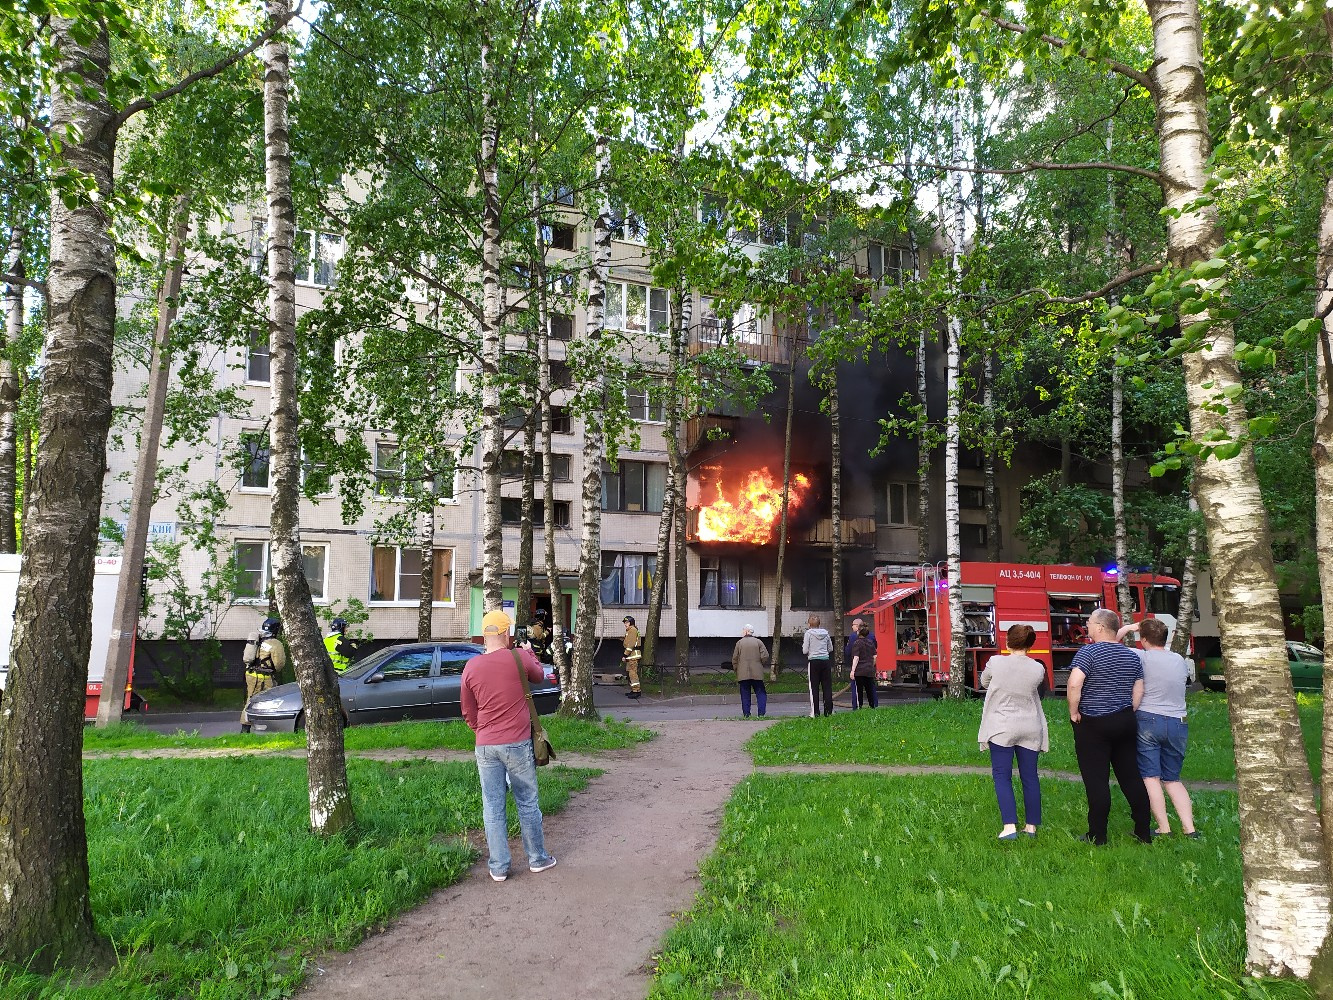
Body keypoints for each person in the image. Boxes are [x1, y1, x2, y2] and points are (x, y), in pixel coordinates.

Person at [461, 609, 558, 883]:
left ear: (484, 634)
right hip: (516, 743)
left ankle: (499, 867)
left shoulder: (471, 666)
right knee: (526, 801)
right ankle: (538, 859)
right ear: (506, 634)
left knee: (492, 806)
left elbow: (468, 711)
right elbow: (538, 676)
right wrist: (530, 653)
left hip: (485, 745)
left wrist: (482, 732)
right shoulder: (518, 657)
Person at [1067, 608, 1152, 845]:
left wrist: (1074, 711)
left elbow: (1074, 684)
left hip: (1094, 723)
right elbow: (1139, 689)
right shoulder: (1131, 655)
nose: (1087, 625)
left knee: (1097, 779)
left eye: (1090, 622)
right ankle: (1143, 832)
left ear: (1101, 627)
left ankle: (1098, 835)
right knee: (1131, 776)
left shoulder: (1088, 653)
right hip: (1125, 721)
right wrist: (1127, 710)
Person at [1120, 618, 1198, 839]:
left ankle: (1163, 828)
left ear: (1143, 639)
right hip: (1178, 722)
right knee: (1172, 778)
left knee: (1150, 776)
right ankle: (1189, 829)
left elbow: (1109, 643)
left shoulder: (1141, 656)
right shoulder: (1179, 660)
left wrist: (1128, 628)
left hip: (1148, 720)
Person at [978, 625, 1049, 840]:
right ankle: (1031, 828)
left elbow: (984, 682)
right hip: (1030, 725)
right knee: (1030, 777)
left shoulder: (996, 662)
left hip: (1002, 726)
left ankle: (1009, 827)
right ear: (1030, 644)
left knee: (1002, 775)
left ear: (1008, 641)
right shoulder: (1038, 668)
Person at [240, 617, 286, 733]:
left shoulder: (259, 640)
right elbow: (279, 664)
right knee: (265, 701)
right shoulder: (275, 644)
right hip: (264, 678)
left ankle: (246, 729)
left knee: (250, 699)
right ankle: (250, 729)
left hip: (250, 674)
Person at [732, 624, 770, 718]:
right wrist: (760, 664)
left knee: (745, 694)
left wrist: (737, 669)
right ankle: (761, 714)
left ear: (746, 631)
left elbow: (735, 658)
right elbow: (765, 656)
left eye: (743, 630)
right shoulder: (758, 642)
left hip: (743, 674)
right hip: (757, 673)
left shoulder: (739, 643)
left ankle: (746, 714)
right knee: (760, 693)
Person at [802, 614, 834, 717]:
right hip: (825, 661)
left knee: (814, 687)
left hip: (814, 662)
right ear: (819, 624)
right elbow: (830, 649)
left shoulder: (808, 634)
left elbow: (805, 650)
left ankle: (815, 712)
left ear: (809, 624)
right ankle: (828, 711)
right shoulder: (826, 634)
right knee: (827, 687)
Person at [845, 617, 877, 709]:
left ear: (858, 627)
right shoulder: (871, 638)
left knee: (857, 689)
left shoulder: (854, 638)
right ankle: (874, 705)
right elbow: (875, 653)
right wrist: (872, 664)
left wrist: (852, 670)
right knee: (870, 688)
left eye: (853, 625)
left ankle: (857, 706)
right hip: (869, 668)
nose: (852, 627)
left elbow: (854, 656)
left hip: (859, 668)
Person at [622, 615, 642, 699]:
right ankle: (634, 690)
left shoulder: (632, 630)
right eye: (624, 623)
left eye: (626, 622)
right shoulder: (630, 630)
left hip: (633, 655)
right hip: (631, 655)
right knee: (630, 673)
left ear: (631, 622)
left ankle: (636, 691)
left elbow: (630, 644)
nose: (625, 624)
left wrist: (625, 655)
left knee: (632, 673)